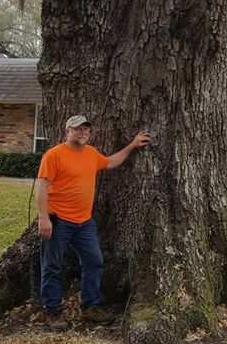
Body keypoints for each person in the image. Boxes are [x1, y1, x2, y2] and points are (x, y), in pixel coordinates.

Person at [36, 114, 150, 326]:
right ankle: (53, 311)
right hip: (58, 220)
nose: (82, 132)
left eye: (86, 129)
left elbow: (111, 162)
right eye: (77, 129)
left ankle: (90, 307)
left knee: (94, 261)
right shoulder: (54, 155)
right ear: (67, 131)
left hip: (84, 223)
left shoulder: (91, 153)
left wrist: (133, 145)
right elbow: (42, 186)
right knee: (52, 266)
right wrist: (43, 218)